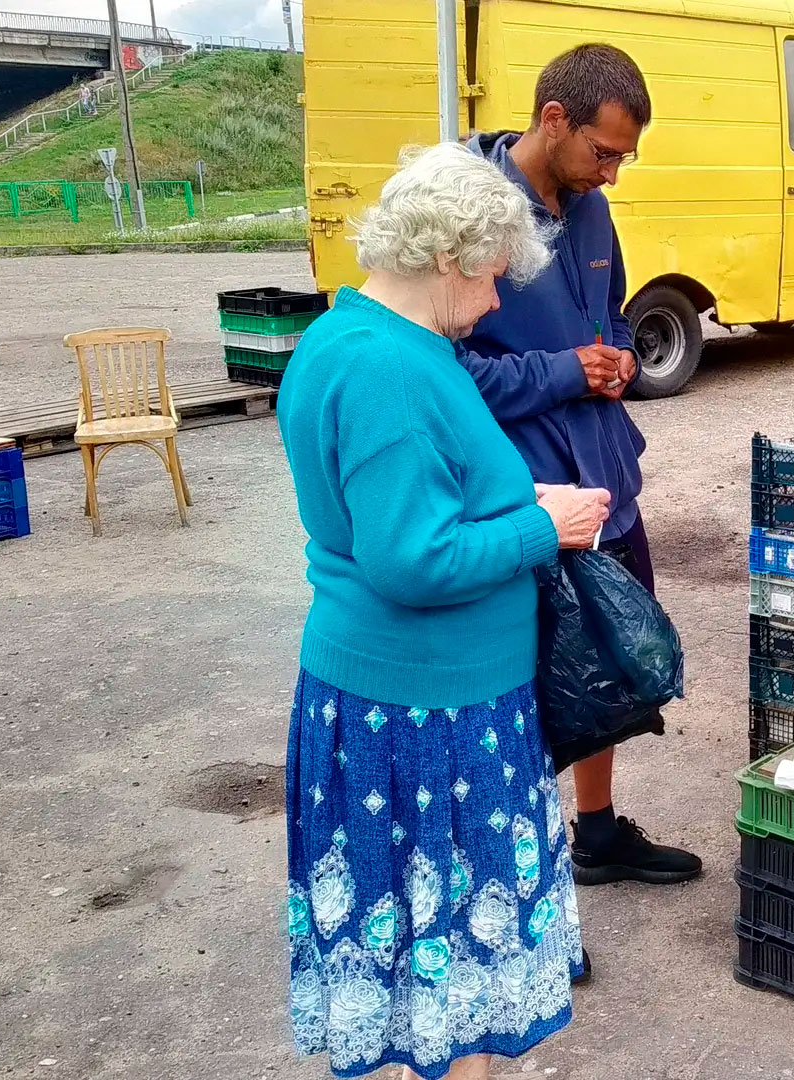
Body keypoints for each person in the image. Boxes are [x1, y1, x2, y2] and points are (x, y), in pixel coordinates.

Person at [278, 143, 612, 1080]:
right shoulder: (397, 368)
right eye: (499, 274)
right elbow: (411, 559)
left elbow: (410, 509)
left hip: (400, 699)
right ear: (459, 255)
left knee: (435, 972)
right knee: (455, 969)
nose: (500, 300)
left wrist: (516, 505)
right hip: (431, 716)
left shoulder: (347, 339)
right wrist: (543, 530)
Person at [459, 44, 701, 889]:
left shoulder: (594, 210)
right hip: (522, 495)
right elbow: (445, 375)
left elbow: (617, 322)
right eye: (605, 153)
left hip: (606, 484)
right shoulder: (472, 210)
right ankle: (526, 881)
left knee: (611, 663)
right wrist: (566, 371)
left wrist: (623, 357)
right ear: (553, 119)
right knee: (525, 689)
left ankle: (594, 832)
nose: (614, 174)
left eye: (625, 157)